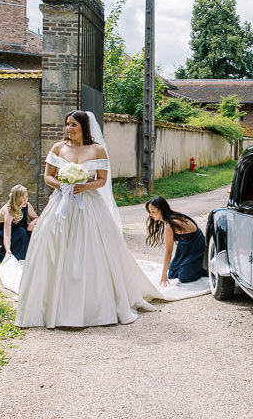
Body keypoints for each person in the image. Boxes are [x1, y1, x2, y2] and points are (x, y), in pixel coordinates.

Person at [15, 110, 159, 328]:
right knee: (52, 246)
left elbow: (101, 180)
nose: (69, 129)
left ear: (84, 127)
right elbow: (48, 176)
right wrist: (63, 185)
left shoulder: (97, 150)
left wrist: (84, 186)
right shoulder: (58, 148)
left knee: (92, 249)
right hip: (61, 202)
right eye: (67, 125)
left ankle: (96, 306)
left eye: (73, 125)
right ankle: (49, 304)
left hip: (89, 205)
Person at [145, 196, 206, 286]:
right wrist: (166, 273)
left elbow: (168, 252)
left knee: (184, 277)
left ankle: (204, 269)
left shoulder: (171, 224)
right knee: (172, 273)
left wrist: (163, 275)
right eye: (149, 211)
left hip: (197, 246)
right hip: (184, 246)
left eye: (153, 211)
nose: (150, 214)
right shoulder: (169, 218)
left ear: (161, 209)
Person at [0, 184, 38, 263]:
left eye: (26, 197)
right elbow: (7, 234)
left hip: (17, 230)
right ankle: (3, 254)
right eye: (23, 199)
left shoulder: (27, 205)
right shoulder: (8, 210)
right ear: (17, 198)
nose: (25, 201)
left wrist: (32, 223)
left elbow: (36, 218)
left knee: (33, 231)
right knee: (21, 232)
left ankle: (29, 256)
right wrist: (8, 250)